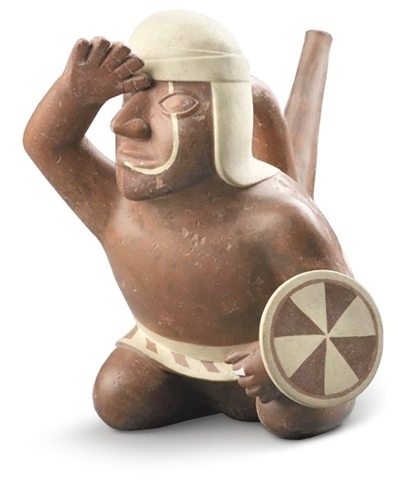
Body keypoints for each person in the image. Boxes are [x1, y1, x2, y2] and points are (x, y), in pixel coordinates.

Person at [23, 10, 355, 438]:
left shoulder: (278, 218)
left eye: (175, 105)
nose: (124, 123)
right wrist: (76, 95)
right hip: (168, 361)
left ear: (229, 119)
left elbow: (342, 311)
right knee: (118, 398)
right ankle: (196, 391)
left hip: (264, 369)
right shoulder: (117, 207)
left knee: (290, 416)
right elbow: (48, 146)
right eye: (126, 99)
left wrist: (281, 356)